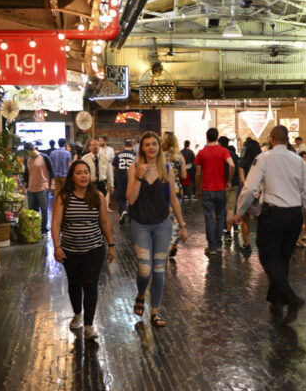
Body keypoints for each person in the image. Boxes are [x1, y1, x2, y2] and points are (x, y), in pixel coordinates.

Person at [235, 125, 306, 324]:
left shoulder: (264, 158)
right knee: (282, 259)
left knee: (267, 256)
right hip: (294, 215)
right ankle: (276, 301)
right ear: (288, 140)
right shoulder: (299, 161)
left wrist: (240, 211)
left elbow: (250, 188)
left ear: (271, 139)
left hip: (274, 214)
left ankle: (291, 298)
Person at [127, 131, 187, 327]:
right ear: (142, 148)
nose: (151, 147)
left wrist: (182, 225)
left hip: (163, 223)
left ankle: (155, 311)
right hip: (141, 224)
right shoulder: (134, 167)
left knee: (159, 269)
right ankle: (141, 293)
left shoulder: (166, 168)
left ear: (159, 147)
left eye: (154, 144)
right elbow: (131, 199)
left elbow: (173, 199)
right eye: (147, 144)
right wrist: (139, 176)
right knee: (145, 269)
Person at [51, 160, 116, 341]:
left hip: (93, 248)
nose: (83, 176)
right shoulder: (64, 197)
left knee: (90, 284)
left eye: (86, 172)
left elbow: (104, 222)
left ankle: (88, 325)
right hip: (70, 250)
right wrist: (56, 246)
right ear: (72, 176)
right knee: (74, 284)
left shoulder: (97, 196)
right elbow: (56, 223)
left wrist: (111, 244)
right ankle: (77, 313)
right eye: (79, 173)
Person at [195, 128, 234, 254]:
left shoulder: (201, 152)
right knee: (220, 216)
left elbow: (198, 173)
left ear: (206, 137)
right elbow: (232, 165)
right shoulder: (223, 151)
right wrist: (229, 181)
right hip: (220, 189)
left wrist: (197, 188)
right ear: (217, 137)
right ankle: (218, 245)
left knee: (208, 218)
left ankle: (212, 247)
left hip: (207, 189)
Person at [162, 131, 187, 258]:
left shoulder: (160, 156)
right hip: (176, 189)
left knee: (165, 216)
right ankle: (172, 243)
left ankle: (165, 242)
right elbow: (184, 175)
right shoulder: (179, 156)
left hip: (162, 188)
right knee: (176, 218)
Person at [24, 142, 55, 234]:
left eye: (29, 151)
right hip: (31, 188)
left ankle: (44, 228)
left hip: (42, 187)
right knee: (33, 211)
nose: (29, 154)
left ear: (34, 149)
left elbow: (52, 171)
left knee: (44, 209)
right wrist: (24, 185)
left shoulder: (44, 157)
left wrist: (52, 184)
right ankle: (35, 228)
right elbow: (26, 174)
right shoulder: (27, 160)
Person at [237, 138, 262, 253]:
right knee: (260, 220)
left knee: (245, 220)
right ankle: (263, 242)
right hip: (259, 193)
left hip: (246, 192)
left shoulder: (242, 162)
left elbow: (243, 181)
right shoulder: (261, 162)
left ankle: (247, 245)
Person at [218, 136, 240, 240]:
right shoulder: (235, 156)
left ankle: (219, 231)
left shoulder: (219, 155)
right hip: (233, 185)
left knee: (220, 208)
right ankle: (228, 232)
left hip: (220, 185)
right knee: (230, 209)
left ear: (220, 143)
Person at [113, 138, 137, 223]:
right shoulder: (136, 155)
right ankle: (131, 216)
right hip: (133, 179)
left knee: (121, 198)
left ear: (124, 145)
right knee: (132, 197)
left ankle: (122, 211)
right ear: (132, 145)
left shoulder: (118, 154)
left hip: (121, 178)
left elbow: (114, 167)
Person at [98, 136, 115, 211]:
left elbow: (111, 161)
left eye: (101, 140)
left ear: (105, 141)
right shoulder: (98, 149)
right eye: (99, 140)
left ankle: (107, 206)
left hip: (108, 171)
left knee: (108, 189)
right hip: (100, 172)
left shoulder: (110, 149)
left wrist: (111, 172)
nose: (99, 142)